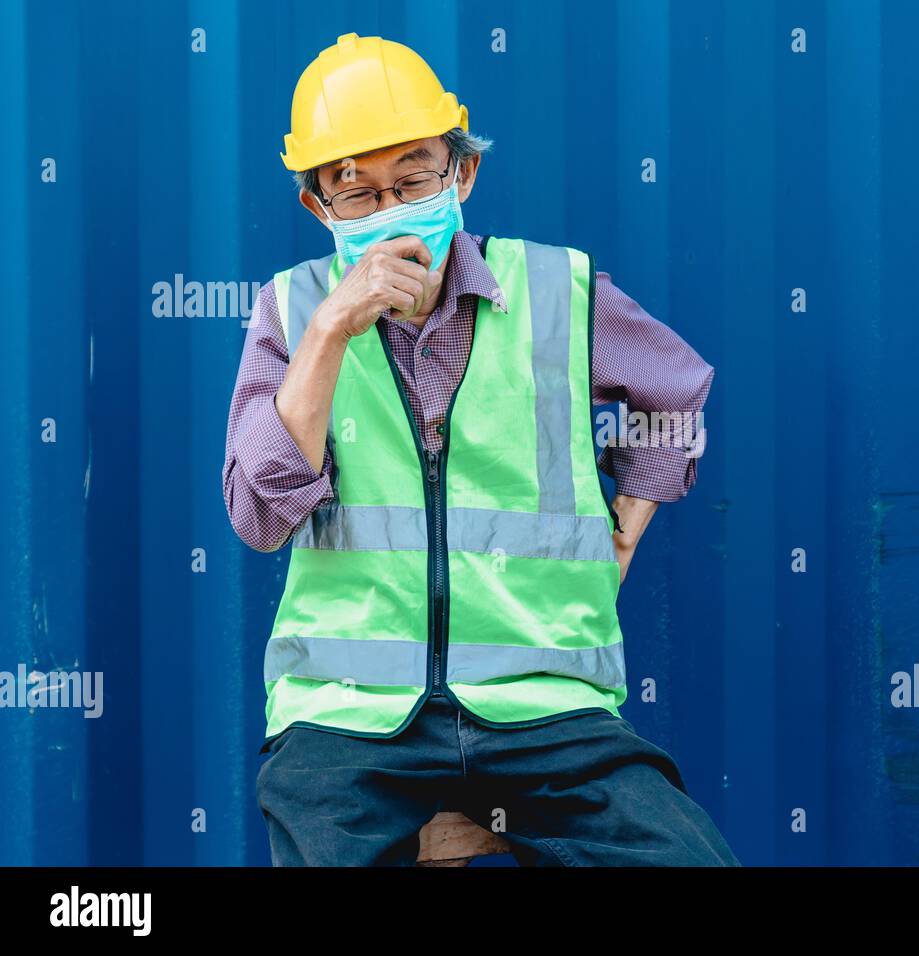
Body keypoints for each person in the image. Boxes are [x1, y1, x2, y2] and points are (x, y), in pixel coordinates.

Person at [223, 32, 738, 867]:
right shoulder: (291, 312)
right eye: (354, 189)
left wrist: (625, 533)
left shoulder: (558, 291)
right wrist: (327, 335)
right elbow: (258, 516)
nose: (388, 206)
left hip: (547, 713)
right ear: (318, 206)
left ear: (461, 175)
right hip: (347, 721)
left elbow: (676, 389)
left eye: (413, 177)